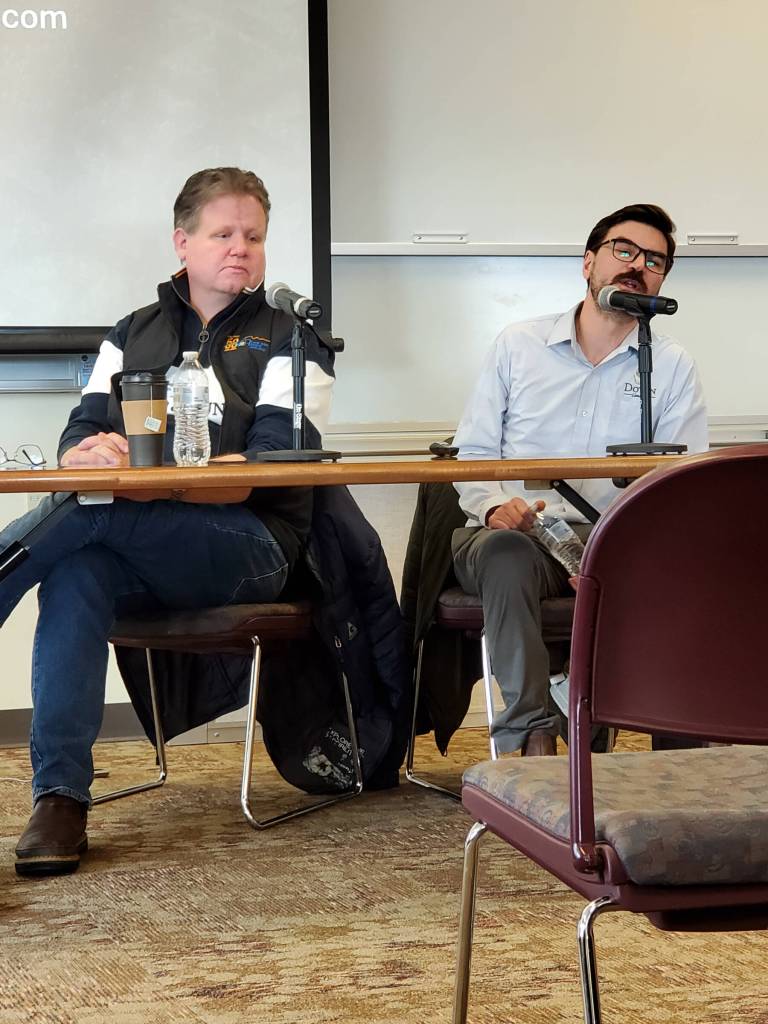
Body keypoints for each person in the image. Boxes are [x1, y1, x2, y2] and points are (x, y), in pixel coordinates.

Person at [0, 167, 335, 875]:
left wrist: (156, 486)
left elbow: (271, 470)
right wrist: (87, 453)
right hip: (144, 544)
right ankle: (60, 797)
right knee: (79, 572)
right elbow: (78, 433)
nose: (240, 248)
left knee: (98, 517)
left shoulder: (291, 342)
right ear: (183, 242)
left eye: (255, 237)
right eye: (223, 234)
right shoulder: (133, 334)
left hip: (253, 551)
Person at [451, 204, 708, 757]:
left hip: (615, 540)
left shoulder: (670, 365)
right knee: (504, 553)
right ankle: (533, 736)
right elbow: (470, 454)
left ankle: (682, 756)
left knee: (697, 568)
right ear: (588, 263)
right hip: (516, 534)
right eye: (624, 250)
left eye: (655, 260)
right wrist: (495, 506)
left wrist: (616, 549)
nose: (637, 266)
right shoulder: (518, 345)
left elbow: (680, 486)